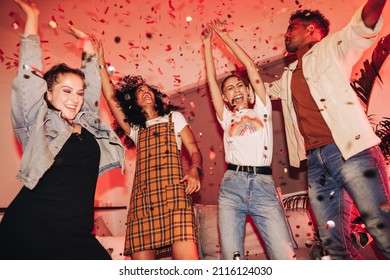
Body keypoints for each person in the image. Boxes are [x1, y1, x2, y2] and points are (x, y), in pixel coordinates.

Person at [265, 0, 390, 259]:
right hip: (316, 163)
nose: (286, 33)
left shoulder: (332, 48)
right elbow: (257, 93)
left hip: (353, 152)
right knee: (333, 247)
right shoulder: (288, 76)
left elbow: (362, 25)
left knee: (383, 231)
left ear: (311, 29)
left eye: (292, 27)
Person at [0, 0, 124, 260]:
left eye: (77, 93)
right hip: (31, 229)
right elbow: (29, 78)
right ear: (48, 93)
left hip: (76, 233)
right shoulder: (38, 122)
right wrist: (33, 18)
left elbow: (90, 88)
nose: (75, 98)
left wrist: (88, 46)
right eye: (66, 91)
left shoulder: (87, 123)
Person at [96, 39, 203, 260]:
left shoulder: (175, 118)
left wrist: (194, 170)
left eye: (149, 90)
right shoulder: (135, 128)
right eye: (140, 91)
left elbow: (194, 149)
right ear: (133, 102)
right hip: (142, 201)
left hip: (175, 197)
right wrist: (99, 61)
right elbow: (110, 97)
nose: (146, 92)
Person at [201, 19, 296, 260]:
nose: (236, 90)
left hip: (263, 186)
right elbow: (212, 83)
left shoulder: (261, 110)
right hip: (232, 187)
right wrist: (207, 45)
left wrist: (223, 36)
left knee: (284, 257)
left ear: (249, 91)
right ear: (225, 97)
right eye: (230, 88)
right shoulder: (226, 118)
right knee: (232, 261)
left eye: (239, 85)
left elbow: (250, 68)